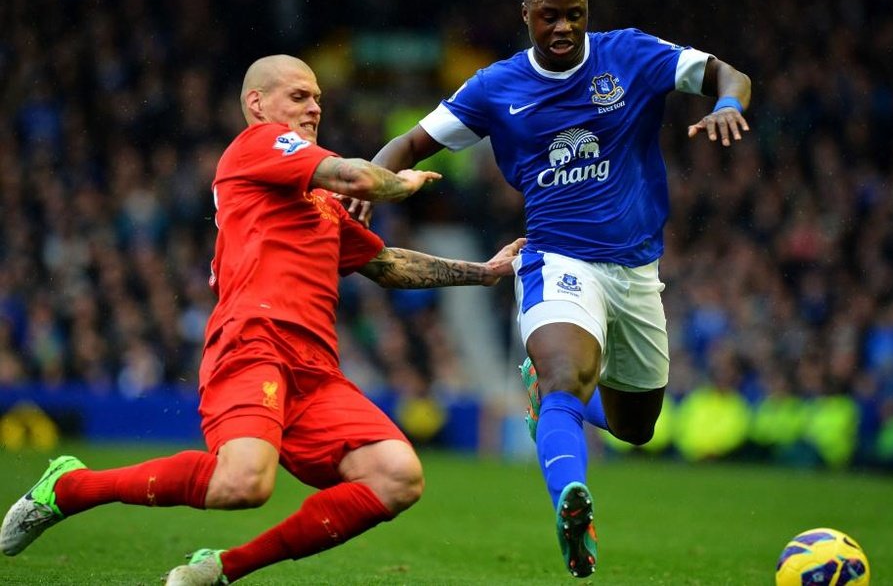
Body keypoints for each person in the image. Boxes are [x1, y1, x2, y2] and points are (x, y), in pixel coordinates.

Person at [1, 54, 525, 585]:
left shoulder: (319, 199)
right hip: (254, 341)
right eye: (299, 97)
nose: (314, 107)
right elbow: (358, 176)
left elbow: (385, 264)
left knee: (397, 477)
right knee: (244, 484)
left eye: (317, 97)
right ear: (258, 104)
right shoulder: (258, 146)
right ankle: (68, 488)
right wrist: (402, 182)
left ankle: (221, 570)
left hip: (316, 370)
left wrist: (482, 273)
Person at [372, 0, 751, 578]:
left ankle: (553, 404)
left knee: (636, 426)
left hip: (635, 271)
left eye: (574, 15)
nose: (562, 28)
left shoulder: (629, 54)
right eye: (549, 16)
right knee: (563, 376)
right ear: (526, 15)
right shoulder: (496, 87)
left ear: (587, 13)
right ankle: (571, 500)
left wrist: (729, 103)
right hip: (555, 258)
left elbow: (724, 73)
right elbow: (411, 142)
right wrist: (369, 182)